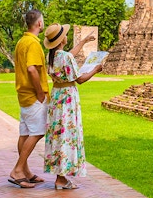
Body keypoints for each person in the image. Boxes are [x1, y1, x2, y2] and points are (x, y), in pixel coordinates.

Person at [42, 23, 102, 190]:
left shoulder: (52, 56)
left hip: (57, 98)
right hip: (67, 99)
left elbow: (69, 55)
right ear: (62, 39)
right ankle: (61, 179)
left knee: (59, 136)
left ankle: (60, 176)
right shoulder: (65, 57)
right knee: (67, 135)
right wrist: (95, 69)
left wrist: (82, 42)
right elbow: (80, 79)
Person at [8, 9, 49, 189]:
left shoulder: (21, 42)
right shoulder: (32, 44)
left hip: (23, 94)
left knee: (25, 133)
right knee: (38, 132)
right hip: (33, 96)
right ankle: (17, 170)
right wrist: (40, 93)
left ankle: (26, 172)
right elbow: (32, 69)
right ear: (39, 24)